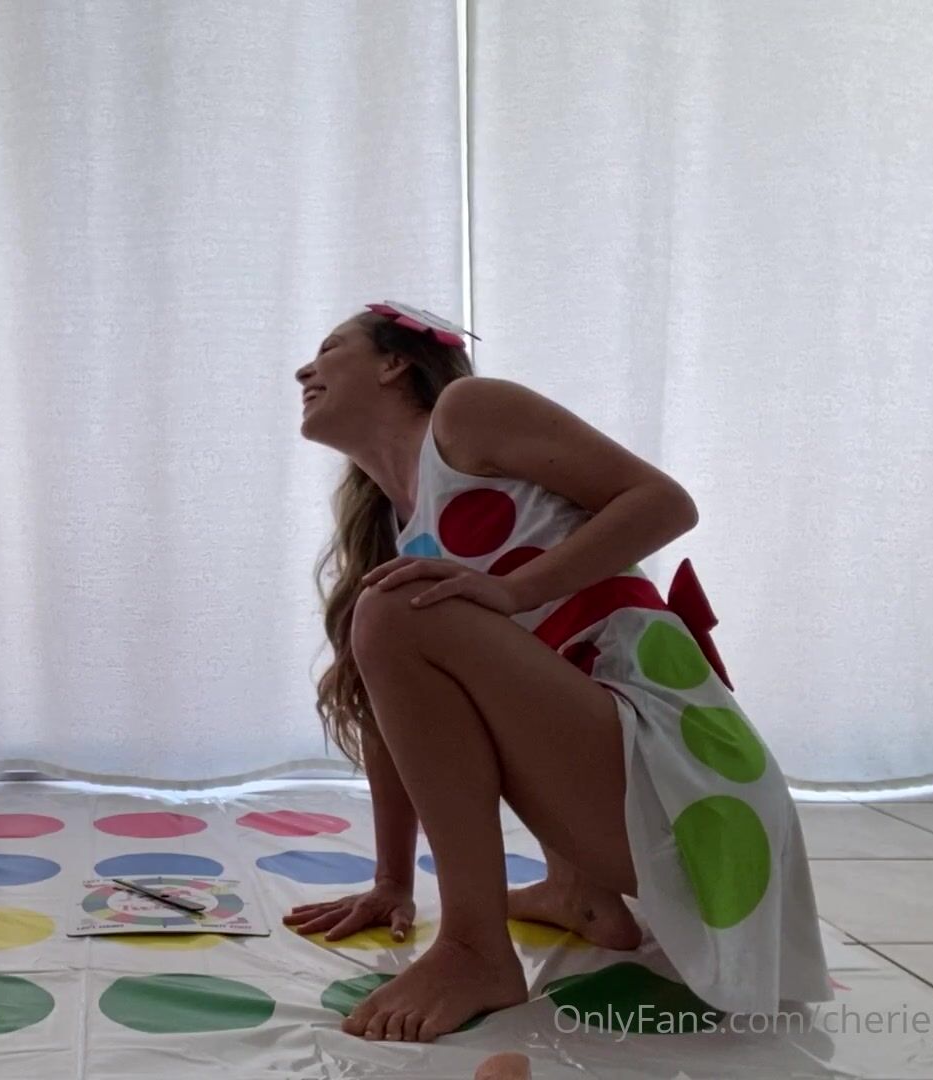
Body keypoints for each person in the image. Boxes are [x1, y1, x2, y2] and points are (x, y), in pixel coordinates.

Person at [282, 301, 828, 1041]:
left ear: (394, 362)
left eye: (328, 348)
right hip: (620, 797)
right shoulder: (402, 529)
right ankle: (578, 892)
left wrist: (516, 590)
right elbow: (397, 715)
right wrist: (391, 882)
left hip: (691, 796)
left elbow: (665, 503)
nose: (304, 370)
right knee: (386, 617)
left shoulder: (467, 414)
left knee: (393, 612)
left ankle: (475, 950)